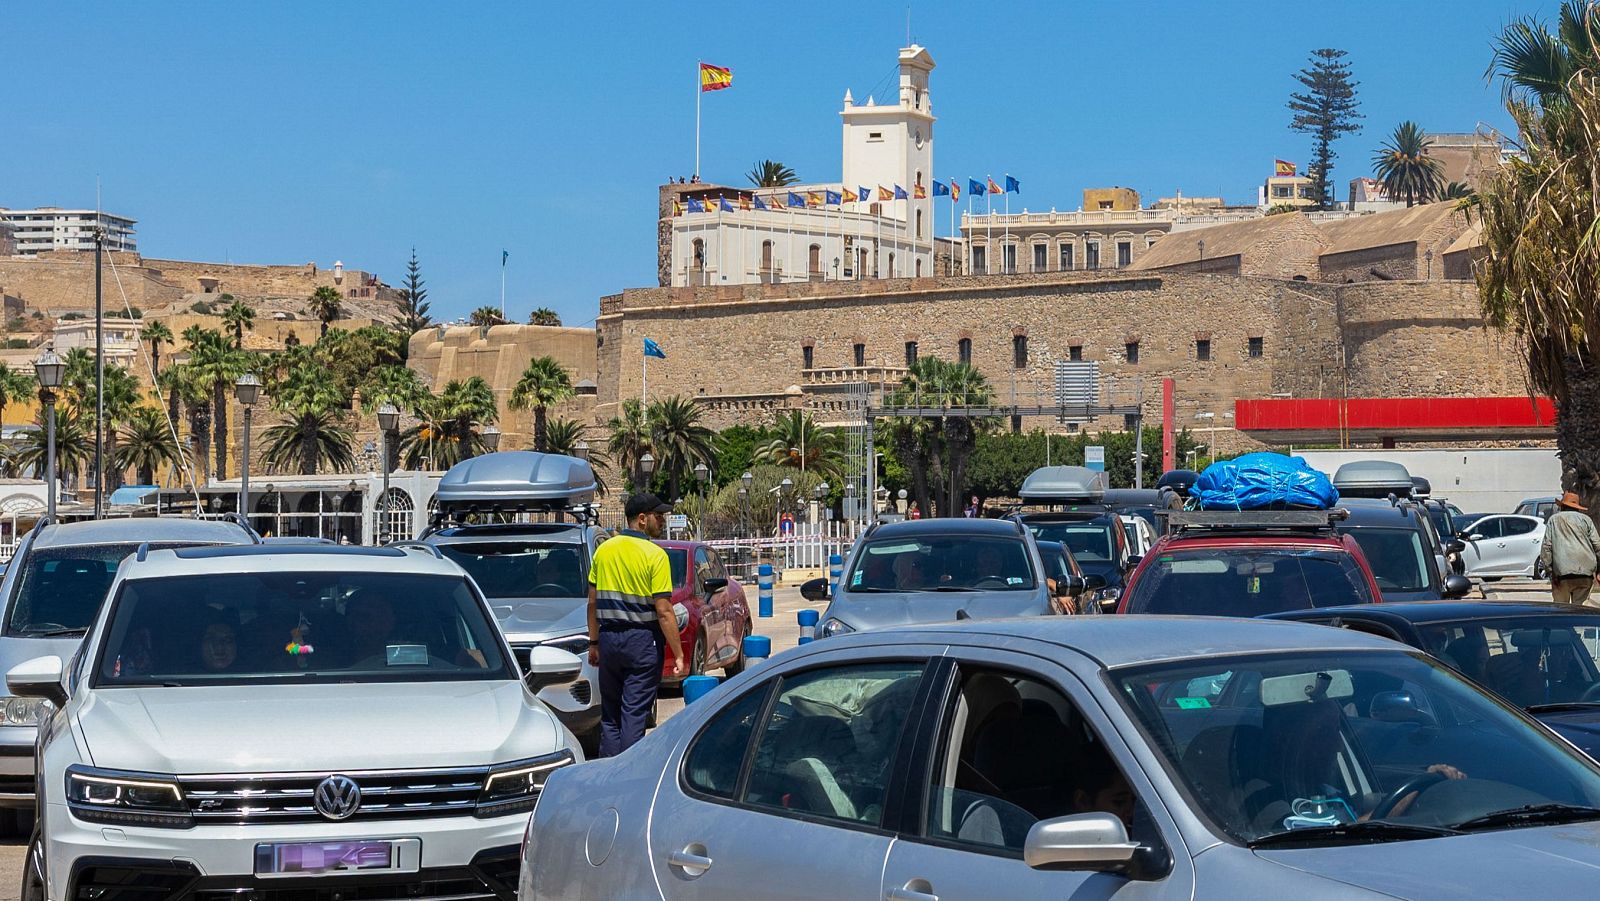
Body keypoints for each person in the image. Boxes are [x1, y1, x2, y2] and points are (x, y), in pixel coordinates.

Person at [587, 493, 685, 757]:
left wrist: (593, 643)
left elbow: (592, 604)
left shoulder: (604, 551)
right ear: (642, 519)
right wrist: (678, 654)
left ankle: (608, 772)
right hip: (641, 642)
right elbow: (664, 611)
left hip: (608, 640)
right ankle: (631, 772)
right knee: (634, 712)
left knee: (610, 713)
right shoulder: (655, 555)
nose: (662, 521)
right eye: (658, 516)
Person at [1540, 492, 1600, 605]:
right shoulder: (1586, 520)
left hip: (1561, 575)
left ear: (1562, 506)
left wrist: (1550, 571)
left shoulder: (1554, 520)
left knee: (1561, 610)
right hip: (1585, 573)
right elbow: (1597, 546)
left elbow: (1546, 547)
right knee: (1580, 611)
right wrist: (1598, 570)